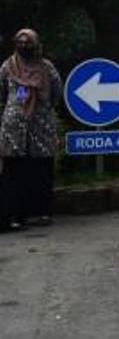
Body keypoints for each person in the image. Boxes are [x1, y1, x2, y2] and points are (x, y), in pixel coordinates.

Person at [0, 29, 62, 230]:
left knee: (41, 170)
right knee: (14, 172)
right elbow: (2, 93)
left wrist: (42, 108)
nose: (24, 46)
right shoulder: (8, 67)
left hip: (41, 126)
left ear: (36, 44)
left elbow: (56, 92)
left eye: (28, 42)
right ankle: (15, 216)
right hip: (14, 129)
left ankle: (40, 212)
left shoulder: (46, 68)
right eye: (20, 42)